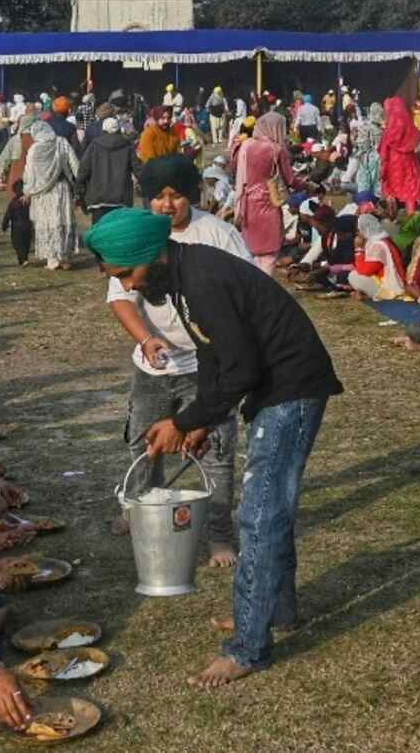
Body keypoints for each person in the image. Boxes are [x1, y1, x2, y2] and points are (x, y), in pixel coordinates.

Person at [85, 207, 342, 689]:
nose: (130, 286)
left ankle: (249, 646)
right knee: (272, 510)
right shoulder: (181, 275)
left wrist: (185, 420)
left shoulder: (201, 279)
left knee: (261, 514)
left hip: (291, 389)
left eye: (127, 274)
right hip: (272, 385)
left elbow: (241, 371)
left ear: (147, 255)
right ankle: (273, 614)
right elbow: (212, 353)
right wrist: (202, 420)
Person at [105, 155, 252, 561]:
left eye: (176, 196)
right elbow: (121, 299)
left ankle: (219, 533)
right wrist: (147, 339)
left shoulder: (218, 234)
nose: (167, 205)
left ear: (194, 194)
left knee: (216, 449)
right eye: (158, 197)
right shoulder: (139, 234)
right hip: (153, 367)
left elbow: (246, 294)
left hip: (209, 365)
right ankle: (141, 510)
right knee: (144, 440)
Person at [233, 111, 299, 274]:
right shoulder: (276, 150)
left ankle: (252, 288)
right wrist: (309, 186)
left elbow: (234, 168)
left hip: (248, 203)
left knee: (253, 251)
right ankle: (262, 291)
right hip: (268, 202)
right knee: (269, 256)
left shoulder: (246, 146)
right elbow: (291, 180)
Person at [22, 119, 79, 272]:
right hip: (61, 188)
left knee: (48, 223)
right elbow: (74, 163)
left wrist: (28, 190)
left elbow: (30, 173)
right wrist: (79, 182)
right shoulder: (61, 142)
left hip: (43, 193)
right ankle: (65, 257)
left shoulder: (35, 149)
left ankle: (52, 259)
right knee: (62, 220)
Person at [75, 116, 138, 225]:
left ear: (103, 130)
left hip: (99, 198)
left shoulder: (94, 145)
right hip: (121, 197)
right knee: (118, 233)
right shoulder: (127, 145)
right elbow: (138, 168)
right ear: (118, 129)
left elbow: (83, 169)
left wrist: (79, 190)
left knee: (100, 233)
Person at [346, 214, 407, 300]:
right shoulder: (382, 239)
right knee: (355, 273)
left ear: (365, 229)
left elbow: (365, 271)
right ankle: (365, 293)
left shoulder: (378, 245)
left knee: (353, 276)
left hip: (392, 286)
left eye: (359, 230)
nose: (358, 233)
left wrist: (358, 249)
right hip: (388, 279)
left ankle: (379, 294)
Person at [379, 95, 420, 213]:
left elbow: (383, 152)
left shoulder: (389, 131)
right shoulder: (409, 127)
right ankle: (412, 217)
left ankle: (391, 215)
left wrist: (383, 166)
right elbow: (417, 140)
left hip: (393, 166)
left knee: (391, 190)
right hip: (409, 163)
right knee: (410, 192)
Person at [1, 180, 32, 265]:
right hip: (27, 225)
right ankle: (25, 258)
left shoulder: (13, 202)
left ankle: (22, 259)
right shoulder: (29, 201)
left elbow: (8, 215)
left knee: (17, 244)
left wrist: (4, 226)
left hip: (16, 227)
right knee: (26, 243)